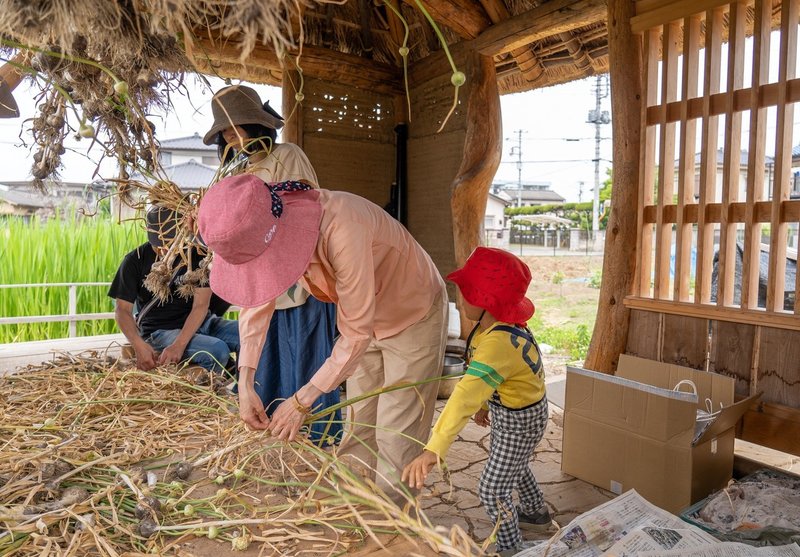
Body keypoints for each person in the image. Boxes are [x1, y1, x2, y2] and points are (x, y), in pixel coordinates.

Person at [197, 174, 448, 496]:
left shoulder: (343, 227)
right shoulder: (265, 225)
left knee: (396, 431)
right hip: (362, 322)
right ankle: (356, 506)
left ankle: (390, 527)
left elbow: (356, 333)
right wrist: (245, 383)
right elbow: (256, 306)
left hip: (411, 312)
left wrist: (302, 400)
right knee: (360, 424)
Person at [202, 84, 342, 444]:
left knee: (307, 352)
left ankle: (317, 434)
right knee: (266, 352)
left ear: (255, 125)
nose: (232, 138)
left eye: (237, 128)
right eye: (226, 133)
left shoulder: (287, 155)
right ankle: (272, 427)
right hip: (261, 277)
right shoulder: (232, 173)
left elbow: (305, 207)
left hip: (297, 273)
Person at [401, 247, 551, 556]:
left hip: (520, 421)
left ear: (484, 301)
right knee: (513, 465)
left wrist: (433, 450)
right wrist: (487, 405)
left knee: (492, 487)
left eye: (463, 292)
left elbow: (463, 397)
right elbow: (494, 378)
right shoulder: (496, 328)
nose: (459, 298)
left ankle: (511, 547)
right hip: (521, 411)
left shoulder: (496, 344)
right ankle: (536, 515)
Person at [108, 205, 240, 374]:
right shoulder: (135, 260)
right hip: (160, 332)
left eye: (169, 243)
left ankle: (242, 390)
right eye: (158, 244)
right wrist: (139, 344)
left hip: (201, 322)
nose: (164, 249)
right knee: (217, 351)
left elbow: (200, 306)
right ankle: (203, 390)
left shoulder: (197, 256)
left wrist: (179, 345)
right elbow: (122, 310)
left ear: (181, 234)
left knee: (248, 336)